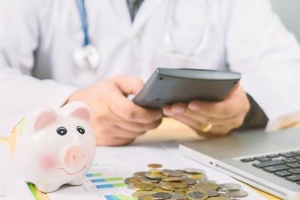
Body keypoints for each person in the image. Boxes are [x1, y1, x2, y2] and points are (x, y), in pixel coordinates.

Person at [0, 0, 300, 146]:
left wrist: (245, 111)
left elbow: (288, 69)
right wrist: (69, 106)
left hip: (192, 157)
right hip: (66, 157)